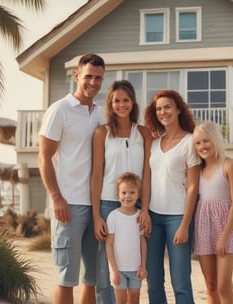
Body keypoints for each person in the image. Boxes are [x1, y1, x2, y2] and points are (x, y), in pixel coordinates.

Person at [38, 53, 105, 304]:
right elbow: (43, 158)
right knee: (66, 277)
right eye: (88, 76)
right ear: (77, 76)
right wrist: (56, 197)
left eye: (98, 78)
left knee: (92, 278)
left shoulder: (101, 113)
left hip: (97, 207)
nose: (93, 83)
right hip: (68, 206)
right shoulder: (59, 110)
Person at [91, 80, 152, 304]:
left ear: (133, 102)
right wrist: (97, 215)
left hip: (137, 205)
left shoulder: (143, 133)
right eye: (117, 100)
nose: (121, 105)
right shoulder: (101, 133)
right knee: (105, 269)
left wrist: (144, 208)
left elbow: (147, 173)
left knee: (134, 259)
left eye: (126, 100)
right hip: (108, 204)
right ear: (110, 103)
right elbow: (97, 174)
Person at [144, 89, 200, 303]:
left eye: (167, 107)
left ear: (178, 109)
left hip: (177, 218)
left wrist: (185, 224)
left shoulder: (190, 141)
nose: (163, 112)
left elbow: (193, 186)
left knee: (181, 282)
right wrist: (145, 212)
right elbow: (147, 180)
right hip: (153, 218)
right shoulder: (154, 143)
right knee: (154, 281)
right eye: (158, 109)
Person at [192, 120, 233, 304]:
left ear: (215, 140)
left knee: (223, 286)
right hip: (204, 227)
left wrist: (224, 237)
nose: (202, 146)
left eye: (206, 141)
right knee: (211, 285)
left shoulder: (228, 165)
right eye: (198, 143)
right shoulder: (197, 170)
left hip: (226, 228)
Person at [106, 172, 148, 304]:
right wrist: (114, 270)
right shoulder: (113, 216)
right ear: (118, 195)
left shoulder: (140, 216)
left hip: (136, 269)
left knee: (135, 300)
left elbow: (142, 243)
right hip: (119, 270)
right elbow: (109, 244)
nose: (127, 196)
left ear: (138, 194)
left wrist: (143, 266)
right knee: (121, 301)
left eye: (132, 192)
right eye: (123, 193)